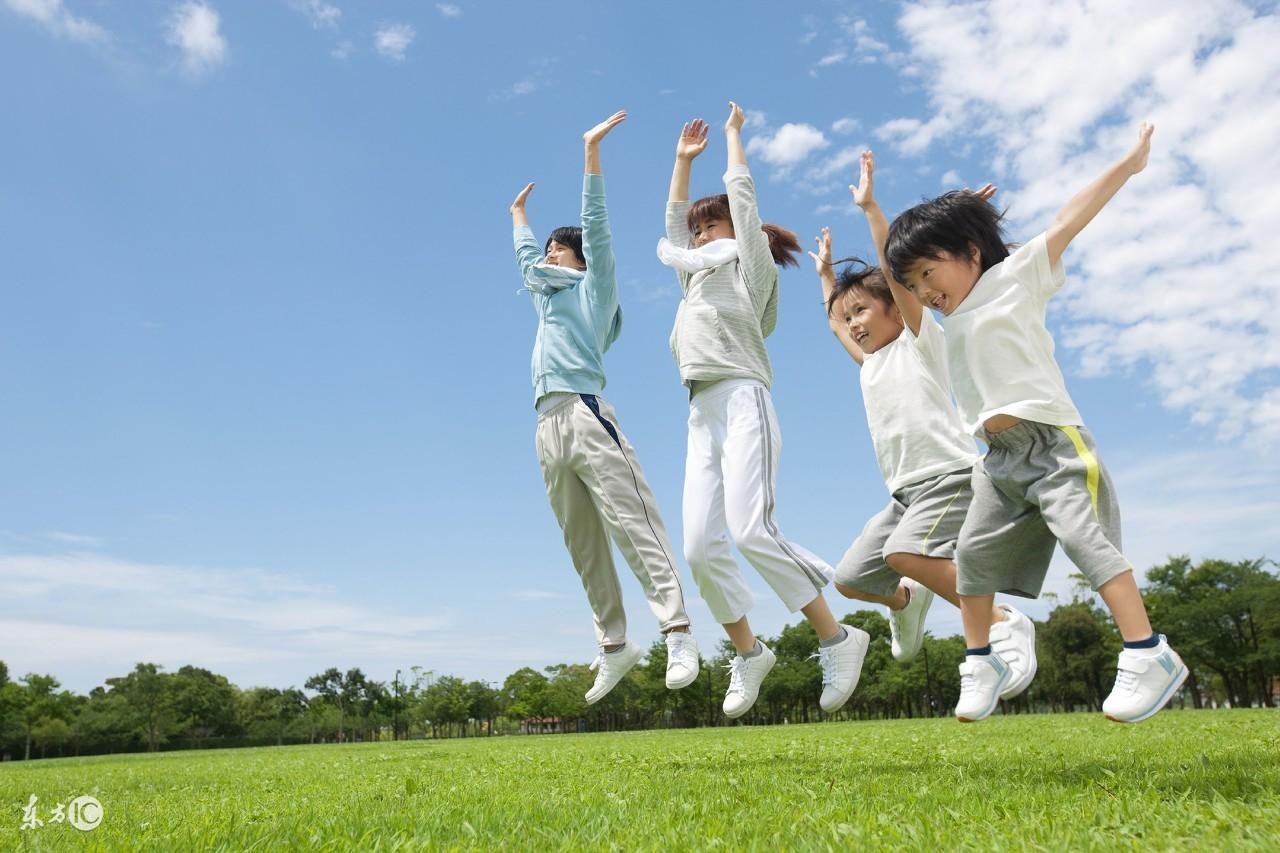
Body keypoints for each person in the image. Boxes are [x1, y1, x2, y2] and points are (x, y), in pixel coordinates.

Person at [883, 123, 1187, 723]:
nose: (923, 290)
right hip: (997, 461)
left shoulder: (1016, 276)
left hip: (1053, 445)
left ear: (970, 252)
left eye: (928, 274)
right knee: (971, 556)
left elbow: (1072, 217)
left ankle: (1149, 653)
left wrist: (1127, 165)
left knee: (1086, 541)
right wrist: (949, 218)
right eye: (913, 283)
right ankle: (981, 661)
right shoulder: (947, 316)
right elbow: (899, 275)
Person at [659, 102, 868, 719]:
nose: (699, 238)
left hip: (744, 396)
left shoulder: (750, 275)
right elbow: (674, 228)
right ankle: (749, 653)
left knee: (752, 529)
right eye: (698, 233)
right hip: (700, 412)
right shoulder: (693, 278)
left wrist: (731, 140)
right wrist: (679, 163)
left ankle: (837, 635)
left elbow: (742, 205)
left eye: (710, 228)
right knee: (699, 546)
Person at [808, 151, 1036, 700]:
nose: (854, 325)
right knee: (852, 579)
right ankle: (907, 603)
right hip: (904, 495)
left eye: (863, 310)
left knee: (905, 555)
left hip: (949, 475)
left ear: (895, 306)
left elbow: (894, 274)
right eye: (848, 318)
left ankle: (1005, 623)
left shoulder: (918, 340)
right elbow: (835, 322)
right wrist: (825, 282)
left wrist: (870, 209)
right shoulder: (870, 366)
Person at [511, 110, 698, 704]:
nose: (547, 256)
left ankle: (678, 630)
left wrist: (590, 153)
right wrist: (518, 218)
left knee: (633, 524)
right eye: (546, 250)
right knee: (582, 542)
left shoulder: (593, 290)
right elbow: (525, 263)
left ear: (578, 261)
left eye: (556, 250)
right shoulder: (545, 298)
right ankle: (615, 646)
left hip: (588, 415)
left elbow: (597, 227)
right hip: (545, 425)